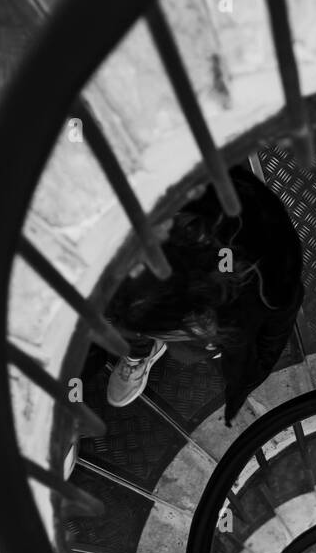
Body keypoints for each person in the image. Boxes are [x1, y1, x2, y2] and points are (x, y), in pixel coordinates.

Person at [103, 165, 304, 425]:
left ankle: (144, 343)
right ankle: (138, 348)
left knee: (185, 351)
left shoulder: (268, 281)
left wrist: (242, 377)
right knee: (125, 319)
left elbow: (276, 325)